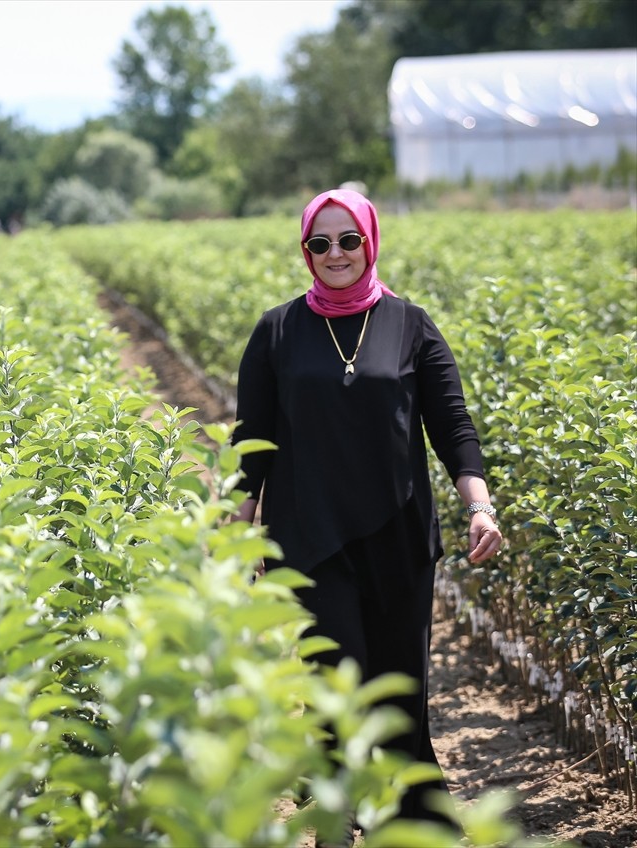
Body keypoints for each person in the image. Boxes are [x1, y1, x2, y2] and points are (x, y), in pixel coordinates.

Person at [229, 188, 503, 833]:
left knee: (401, 691)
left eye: (348, 239)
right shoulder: (277, 331)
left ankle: (413, 823)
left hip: (398, 536)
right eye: (319, 243)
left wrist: (479, 505)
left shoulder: (410, 324)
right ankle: (333, 825)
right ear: (306, 252)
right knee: (337, 689)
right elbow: (251, 444)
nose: (335, 254)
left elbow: (451, 424)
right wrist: (236, 541)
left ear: (370, 241)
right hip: (309, 539)